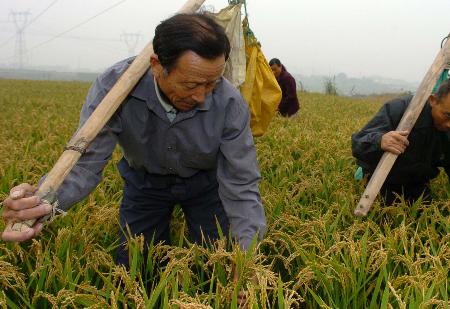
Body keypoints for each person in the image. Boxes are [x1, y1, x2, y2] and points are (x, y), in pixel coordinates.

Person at [1, 13, 266, 268]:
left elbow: (241, 182)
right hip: (145, 184)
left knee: (217, 262)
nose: (201, 96)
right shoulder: (115, 89)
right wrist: (41, 203)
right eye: (191, 85)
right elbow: (85, 162)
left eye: (212, 84)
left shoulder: (230, 103)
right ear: (156, 66)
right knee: (136, 267)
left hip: (207, 185)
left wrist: (246, 257)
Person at [352, 78, 450, 205]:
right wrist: (380, 140)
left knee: (427, 217)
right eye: (447, 115)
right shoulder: (400, 109)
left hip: (416, 182)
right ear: (433, 101)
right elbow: (358, 143)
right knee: (381, 217)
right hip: (381, 178)